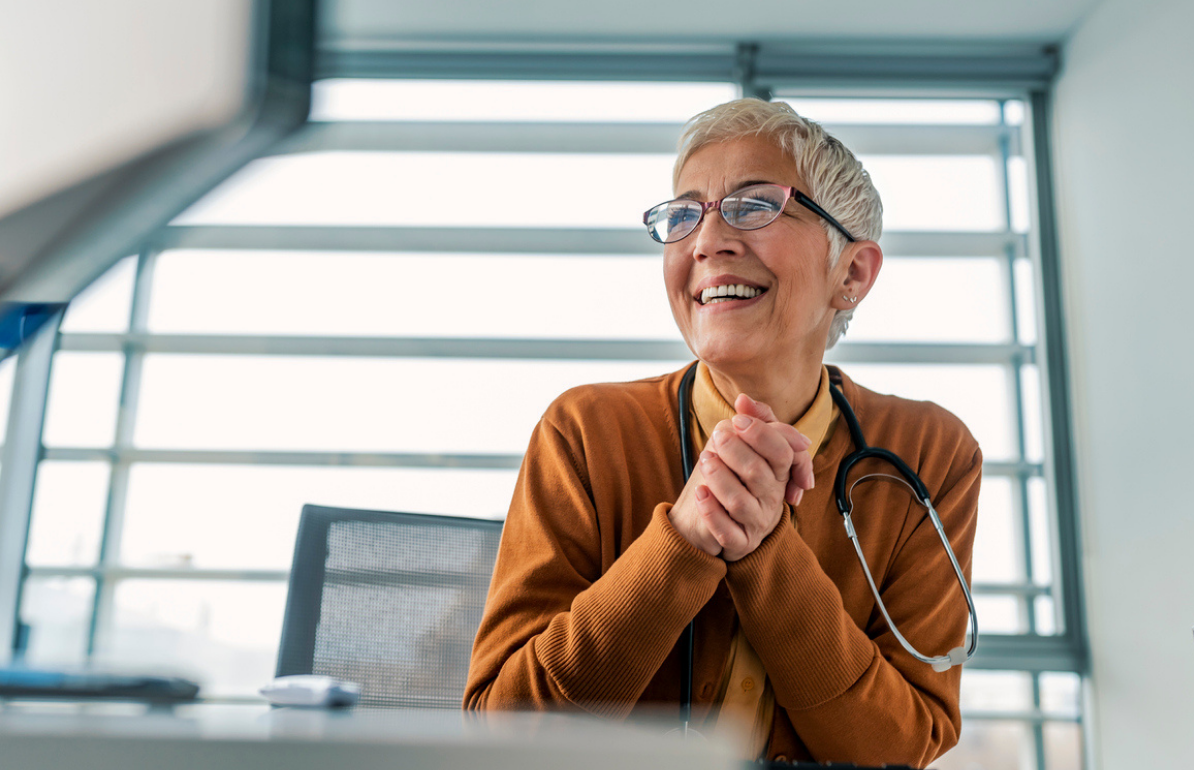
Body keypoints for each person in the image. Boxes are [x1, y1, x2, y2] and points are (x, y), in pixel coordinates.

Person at [463, 98, 981, 768]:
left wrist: (768, 553)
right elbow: (506, 736)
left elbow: (899, 746)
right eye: (684, 216)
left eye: (754, 205)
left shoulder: (931, 453)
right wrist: (682, 541)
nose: (707, 241)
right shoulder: (586, 432)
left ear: (851, 273)